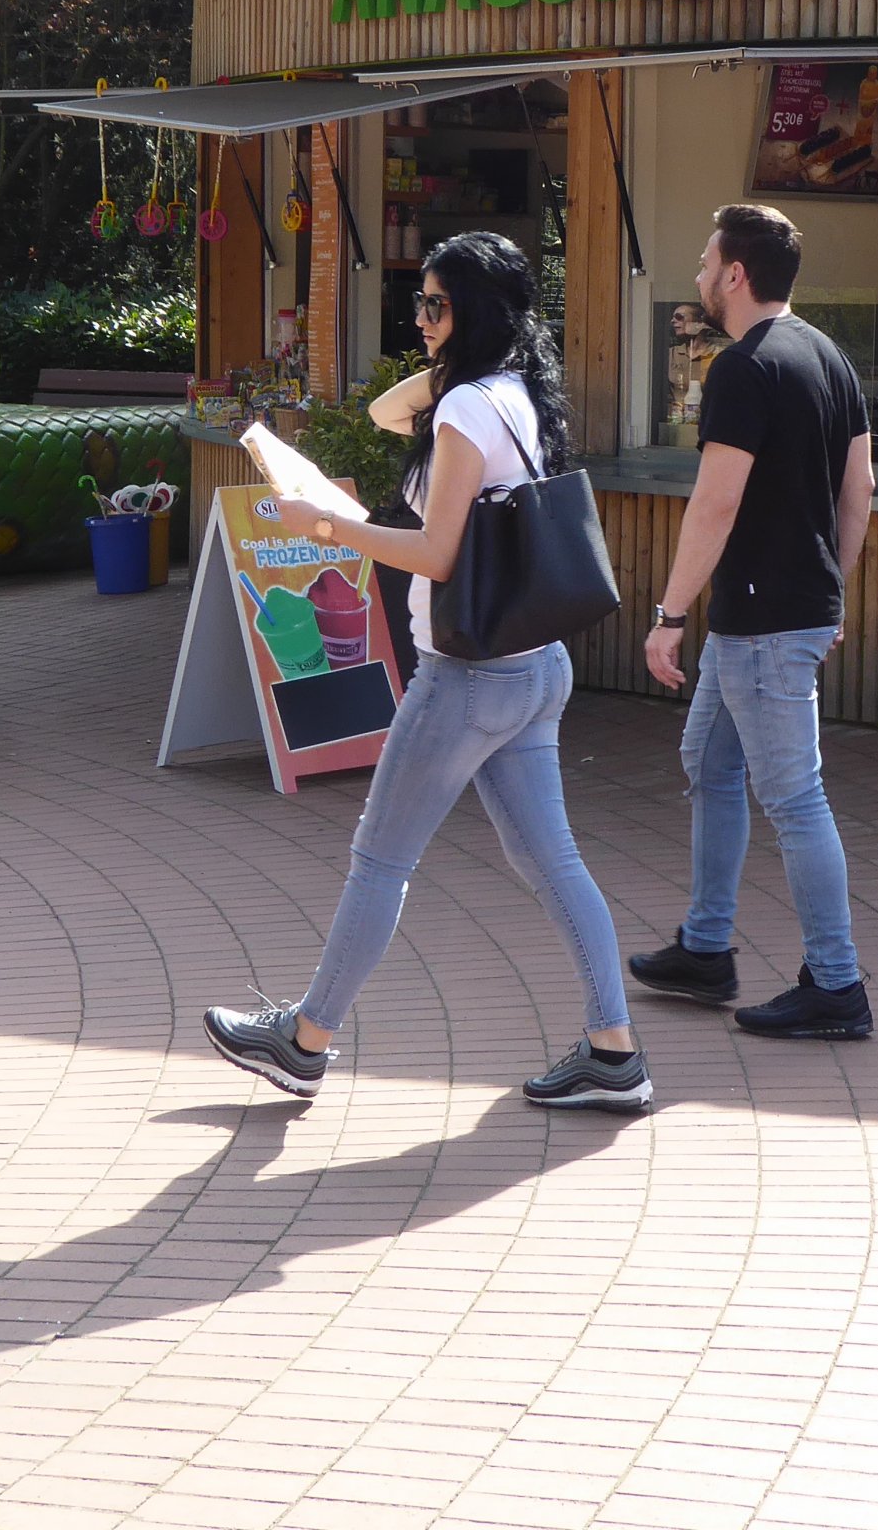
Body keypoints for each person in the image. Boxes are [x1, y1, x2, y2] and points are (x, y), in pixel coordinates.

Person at [203, 231, 648, 1112]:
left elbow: (437, 554)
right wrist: (449, 347)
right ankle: (613, 1050)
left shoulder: (465, 411)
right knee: (553, 861)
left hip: (468, 678)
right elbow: (382, 414)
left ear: (478, 313)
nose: (420, 319)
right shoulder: (514, 392)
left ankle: (305, 1041)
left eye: (435, 305)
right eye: (418, 302)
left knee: (380, 858)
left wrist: (328, 525)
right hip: (533, 667)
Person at [630, 203, 878, 1039]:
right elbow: (861, 491)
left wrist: (668, 615)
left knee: (795, 798)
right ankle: (705, 949)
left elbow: (717, 500)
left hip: (763, 621)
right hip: (776, 615)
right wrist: (830, 590)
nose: (699, 275)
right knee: (710, 759)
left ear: (736, 275)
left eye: (706, 262)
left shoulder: (742, 368)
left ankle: (837, 987)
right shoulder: (830, 357)